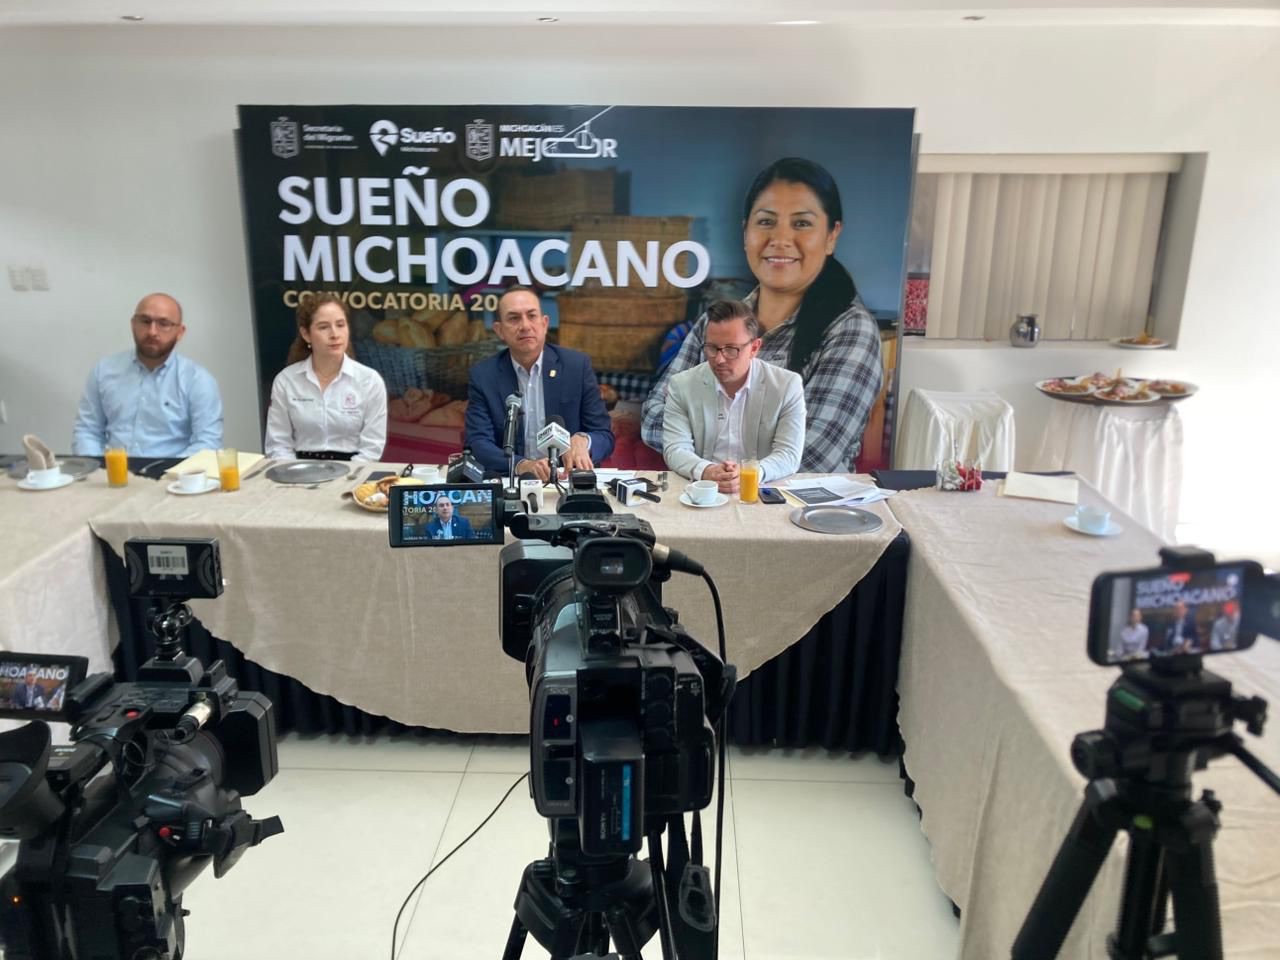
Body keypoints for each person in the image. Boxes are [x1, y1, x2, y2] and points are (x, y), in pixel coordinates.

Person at [643, 157, 882, 472]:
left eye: (801, 223)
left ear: (831, 235)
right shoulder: (719, 320)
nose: (780, 240)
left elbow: (812, 454)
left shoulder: (851, 330)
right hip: (705, 492)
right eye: (766, 221)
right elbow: (654, 418)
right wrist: (718, 468)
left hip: (793, 498)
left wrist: (708, 453)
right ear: (746, 233)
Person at [464, 286, 614, 481]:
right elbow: (478, 443)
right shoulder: (484, 375)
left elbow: (604, 435)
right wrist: (521, 465)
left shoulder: (576, 367)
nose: (525, 325)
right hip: (515, 480)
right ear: (499, 330)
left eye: (532, 316)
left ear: (544, 324)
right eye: (514, 318)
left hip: (567, 479)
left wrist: (584, 440)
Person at [661, 299, 805, 494]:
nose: (719, 359)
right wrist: (707, 470)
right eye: (712, 348)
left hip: (759, 490)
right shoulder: (682, 385)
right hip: (703, 491)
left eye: (731, 349)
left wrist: (750, 473)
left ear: (754, 348)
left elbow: (788, 454)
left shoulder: (786, 385)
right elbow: (675, 448)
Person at [72, 293, 224, 457]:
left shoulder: (197, 380)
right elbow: (87, 431)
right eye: (145, 321)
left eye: (163, 324)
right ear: (133, 324)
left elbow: (208, 442)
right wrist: (98, 467)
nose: (152, 331)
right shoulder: (104, 371)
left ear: (180, 332)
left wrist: (170, 471)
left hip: (175, 471)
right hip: (114, 470)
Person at [265, 294, 387, 462]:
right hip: (298, 470)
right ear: (306, 334)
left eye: (340, 325)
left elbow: (372, 448)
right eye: (323, 327)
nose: (335, 334)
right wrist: (294, 473)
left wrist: (348, 475)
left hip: (354, 471)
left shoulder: (370, 381)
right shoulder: (286, 381)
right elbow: (278, 445)